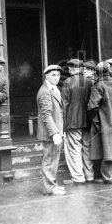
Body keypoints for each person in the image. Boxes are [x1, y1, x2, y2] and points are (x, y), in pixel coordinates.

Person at [61, 59, 94, 185]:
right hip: (87, 121)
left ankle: (78, 177)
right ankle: (89, 175)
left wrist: (63, 124)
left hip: (73, 121)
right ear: (81, 68)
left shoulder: (67, 82)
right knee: (86, 148)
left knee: (74, 149)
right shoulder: (89, 81)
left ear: (70, 69)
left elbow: (64, 104)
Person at [37, 65, 66, 196]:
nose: (56, 78)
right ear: (46, 76)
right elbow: (46, 115)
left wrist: (60, 130)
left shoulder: (53, 89)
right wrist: (54, 133)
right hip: (50, 133)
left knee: (53, 159)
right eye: (53, 75)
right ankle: (49, 187)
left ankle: (52, 185)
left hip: (55, 131)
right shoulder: (45, 91)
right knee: (49, 159)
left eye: (58, 75)